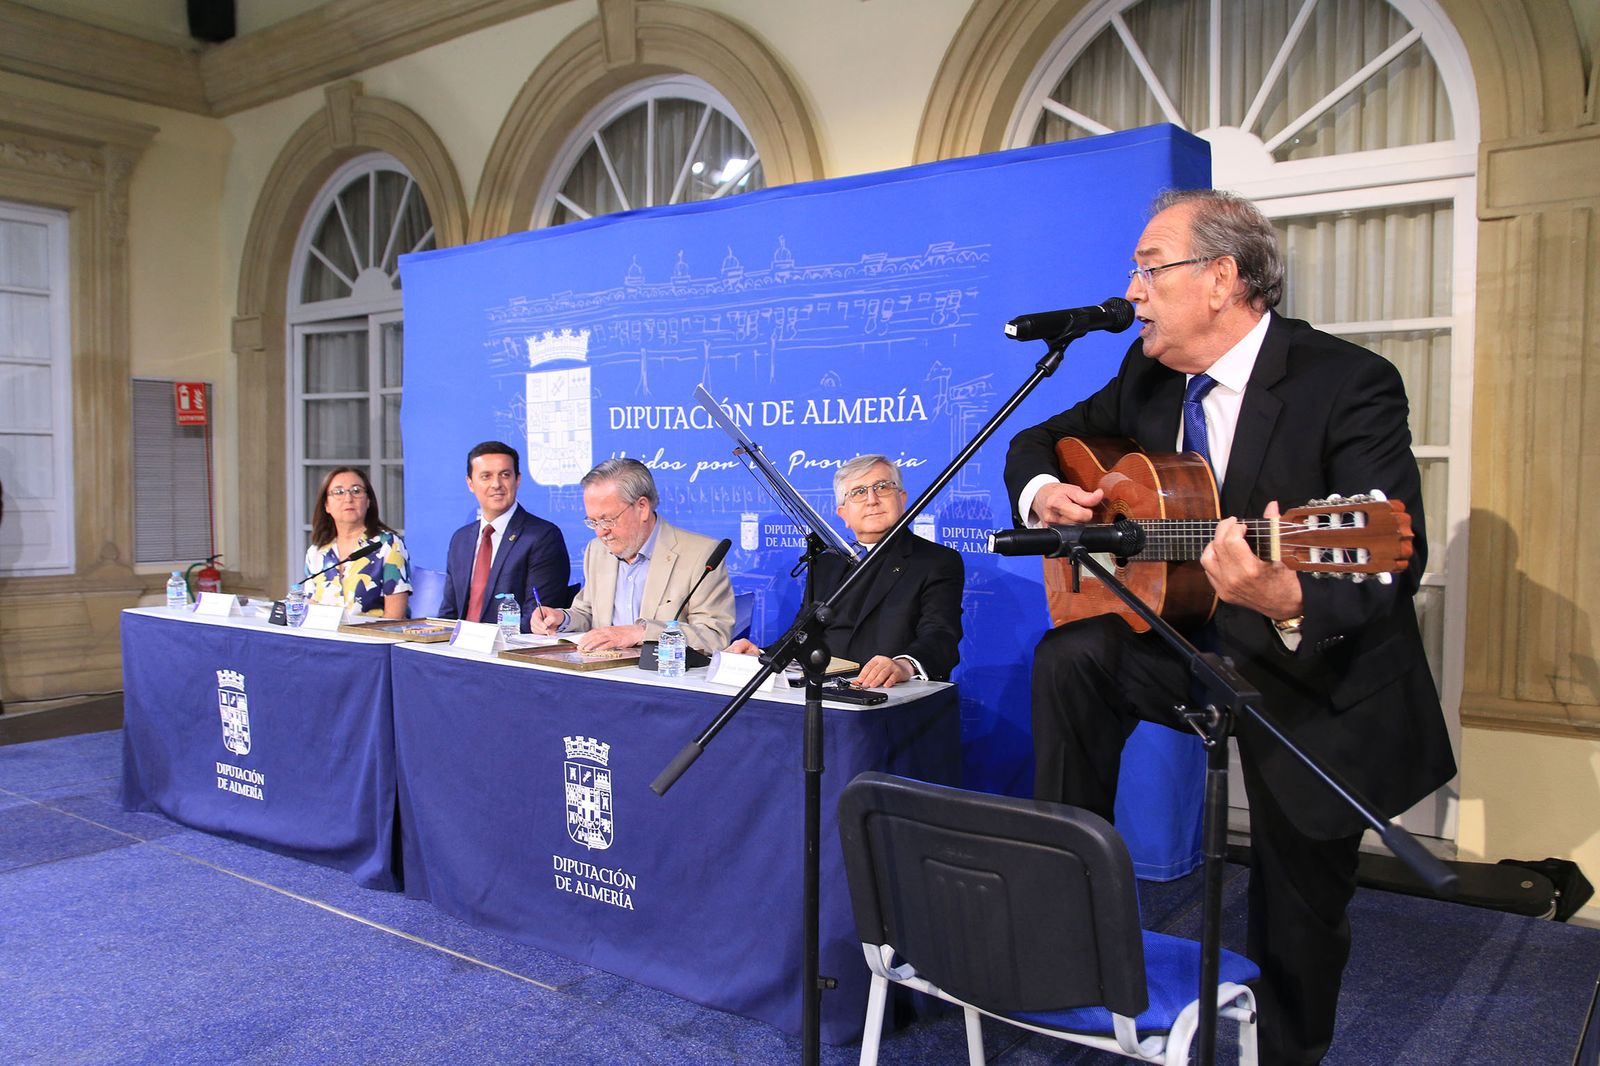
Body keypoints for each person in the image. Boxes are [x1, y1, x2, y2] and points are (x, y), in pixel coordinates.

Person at [1003, 188, 1455, 1065]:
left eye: (1148, 266)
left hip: (1312, 667)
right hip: (1192, 640)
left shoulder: (1348, 382)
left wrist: (1287, 598)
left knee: (1296, 902)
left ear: (1221, 278)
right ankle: (1073, 918)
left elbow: (1392, 557)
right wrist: (1044, 492)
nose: (1132, 289)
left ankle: (1286, 1050)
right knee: (1072, 655)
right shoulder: (1145, 375)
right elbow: (1041, 439)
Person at [726, 454, 963, 688]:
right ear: (843, 514)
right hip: (822, 693)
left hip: (887, 695)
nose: (872, 499)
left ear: (902, 499)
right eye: (859, 492)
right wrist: (762, 655)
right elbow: (802, 633)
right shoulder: (826, 563)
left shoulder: (936, 561)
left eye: (882, 487)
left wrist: (903, 665)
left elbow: (940, 635)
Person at [529, 457, 734, 654]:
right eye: (593, 522)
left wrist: (641, 632)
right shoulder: (596, 551)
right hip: (601, 674)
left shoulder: (701, 555)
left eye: (607, 519)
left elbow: (714, 636)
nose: (601, 532)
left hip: (662, 679)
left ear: (642, 508)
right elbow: (588, 614)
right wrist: (561, 618)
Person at [438, 440, 571, 632]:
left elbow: (538, 616)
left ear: (517, 479)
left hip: (507, 650)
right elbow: (449, 612)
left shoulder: (543, 536)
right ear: (470, 483)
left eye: (505, 475)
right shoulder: (461, 539)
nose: (496, 484)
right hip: (459, 651)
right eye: (486, 476)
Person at [303, 466, 411, 617]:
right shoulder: (316, 552)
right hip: (326, 638)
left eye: (356, 491)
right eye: (338, 492)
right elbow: (310, 612)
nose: (348, 498)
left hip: (373, 638)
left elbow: (394, 619)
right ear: (326, 505)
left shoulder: (389, 545)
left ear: (368, 501)